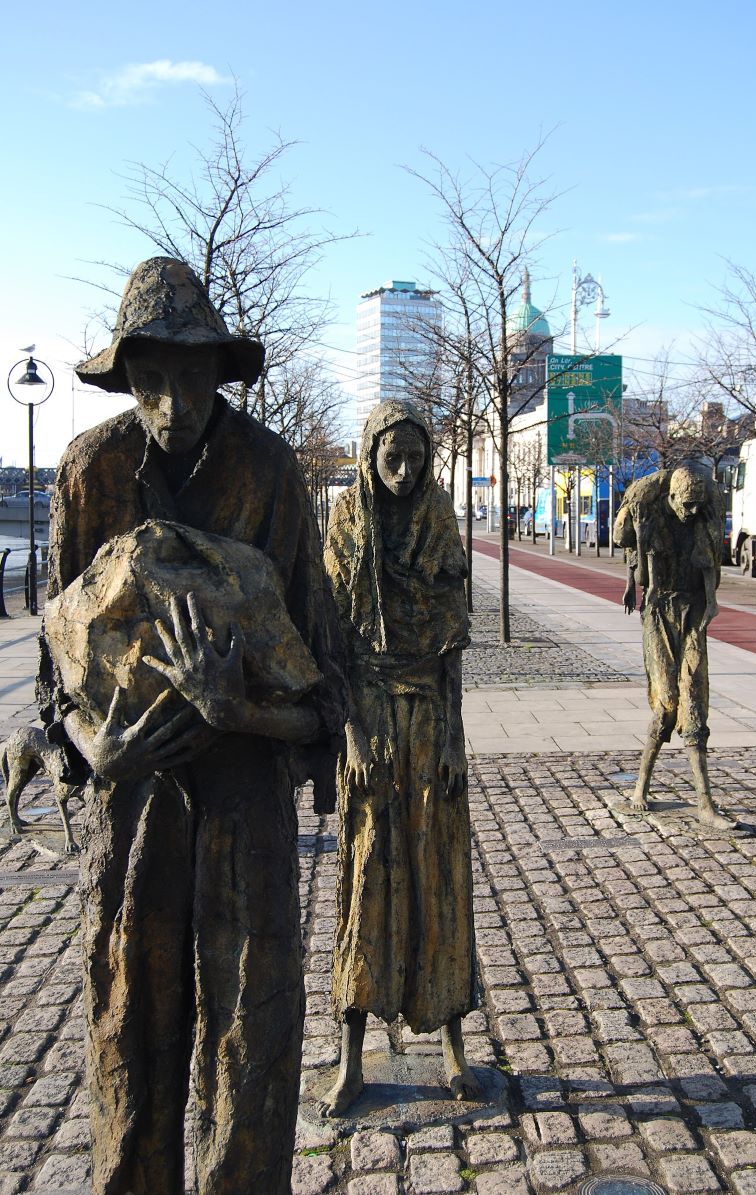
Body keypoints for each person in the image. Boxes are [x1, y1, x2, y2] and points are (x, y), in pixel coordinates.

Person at [37, 257, 345, 1195]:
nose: (172, 404)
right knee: (129, 1044)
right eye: (149, 380)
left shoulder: (271, 474)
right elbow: (57, 673)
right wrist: (95, 749)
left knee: (249, 1054)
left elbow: (325, 693)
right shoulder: (90, 472)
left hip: (246, 811)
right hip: (132, 815)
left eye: (191, 376)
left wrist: (238, 707)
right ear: (126, 377)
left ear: (220, 366)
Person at [320, 399, 480, 1118]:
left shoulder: (439, 519)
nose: (406, 470)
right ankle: (351, 1056)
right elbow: (334, 645)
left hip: (430, 721)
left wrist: (452, 737)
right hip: (370, 721)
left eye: (416, 457)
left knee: (440, 877)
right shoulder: (347, 524)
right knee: (367, 876)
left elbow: (450, 646)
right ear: (369, 454)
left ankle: (453, 1044)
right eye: (393, 458)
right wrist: (350, 734)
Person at [613, 460, 734, 829]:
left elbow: (710, 564)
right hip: (660, 610)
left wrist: (710, 603)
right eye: (687, 504)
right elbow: (621, 537)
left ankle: (705, 803)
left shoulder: (702, 517)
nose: (692, 511)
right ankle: (639, 791)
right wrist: (632, 580)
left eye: (698, 505)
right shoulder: (649, 510)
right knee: (666, 703)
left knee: (695, 701)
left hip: (693, 609)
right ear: (670, 496)